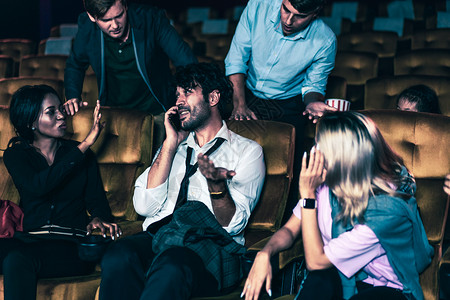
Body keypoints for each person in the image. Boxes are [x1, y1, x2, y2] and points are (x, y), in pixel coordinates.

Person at [99, 63, 266, 300]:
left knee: (172, 263)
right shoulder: (173, 148)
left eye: (187, 92)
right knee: (119, 254)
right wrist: (169, 144)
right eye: (177, 94)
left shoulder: (247, 151)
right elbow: (144, 207)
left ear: (213, 97)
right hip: (161, 238)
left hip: (208, 247)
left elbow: (233, 226)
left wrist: (217, 189)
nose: (179, 101)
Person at [242, 112, 433, 300]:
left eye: (320, 145)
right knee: (319, 281)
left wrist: (308, 196)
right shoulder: (325, 185)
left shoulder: (386, 211)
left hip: (389, 288)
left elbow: (316, 261)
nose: (314, 150)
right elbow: (290, 230)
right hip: (345, 277)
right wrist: (265, 253)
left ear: (344, 157)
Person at [0, 85, 121, 300]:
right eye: (51, 112)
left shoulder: (82, 154)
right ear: (31, 122)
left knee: (17, 259)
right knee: (17, 254)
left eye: (60, 109)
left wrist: (97, 218)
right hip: (29, 240)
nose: (61, 115)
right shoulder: (16, 155)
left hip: (69, 246)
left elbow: (97, 203)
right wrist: (83, 147)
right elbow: (38, 186)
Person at [63, 0, 198, 152]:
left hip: (157, 112)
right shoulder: (87, 26)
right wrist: (73, 96)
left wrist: (184, 94)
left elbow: (187, 62)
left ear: (125, 6)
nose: (115, 25)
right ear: (92, 17)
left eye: (119, 16)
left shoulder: (151, 18)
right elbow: (75, 64)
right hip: (116, 115)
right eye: (106, 20)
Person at [225, 0, 337, 123]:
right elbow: (236, 59)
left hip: (288, 104)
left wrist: (313, 102)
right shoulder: (258, 5)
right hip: (244, 92)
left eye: (300, 16)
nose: (288, 21)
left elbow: (313, 85)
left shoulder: (326, 40)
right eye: (286, 9)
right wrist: (239, 104)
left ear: (315, 13)